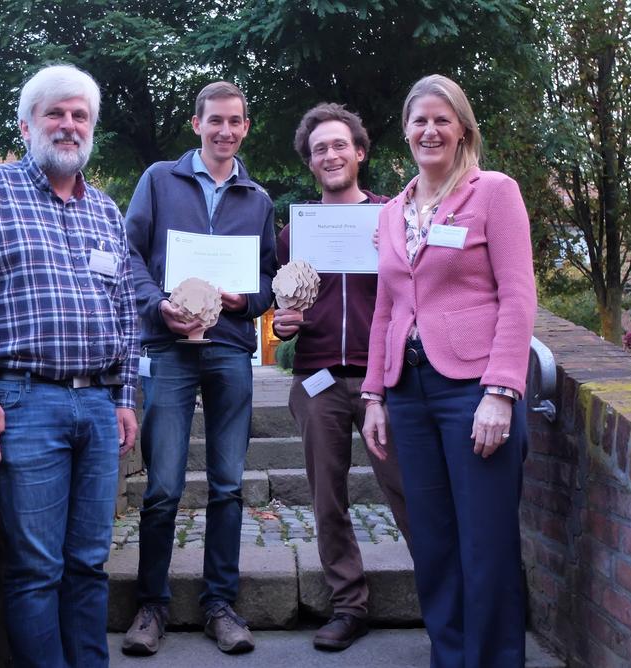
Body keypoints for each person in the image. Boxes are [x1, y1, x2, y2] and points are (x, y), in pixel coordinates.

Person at [0, 64, 140, 667]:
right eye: (56, 113)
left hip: (98, 405)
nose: (69, 125)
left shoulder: (105, 210)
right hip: (24, 402)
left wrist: (124, 396)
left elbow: (124, 310)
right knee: (37, 569)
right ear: (27, 125)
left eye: (80, 116)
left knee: (89, 564)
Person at [361, 74, 536, 668]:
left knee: (484, 542)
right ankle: (450, 656)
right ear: (406, 132)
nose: (429, 130)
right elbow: (386, 305)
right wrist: (373, 394)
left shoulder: (494, 192)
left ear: (462, 128)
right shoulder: (390, 211)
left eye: (442, 119)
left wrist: (502, 390)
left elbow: (518, 297)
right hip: (407, 391)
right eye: (419, 121)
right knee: (433, 543)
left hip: (472, 389)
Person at [122, 81, 276, 656]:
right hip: (168, 348)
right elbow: (129, 252)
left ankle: (220, 605)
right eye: (215, 120)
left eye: (235, 122)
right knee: (161, 486)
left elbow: (266, 278)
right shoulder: (160, 180)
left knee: (228, 484)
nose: (225, 131)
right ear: (196, 124)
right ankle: (151, 607)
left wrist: (245, 301)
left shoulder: (257, 198)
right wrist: (153, 305)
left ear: (245, 128)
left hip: (230, 350)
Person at [273, 103, 411, 651]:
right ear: (310, 163)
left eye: (339, 145)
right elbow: (282, 308)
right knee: (327, 499)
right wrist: (282, 326)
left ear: (360, 151)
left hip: (389, 381)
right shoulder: (295, 231)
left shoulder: (394, 217)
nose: (329, 155)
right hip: (318, 380)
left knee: (409, 491)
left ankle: (448, 599)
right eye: (318, 149)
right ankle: (348, 606)